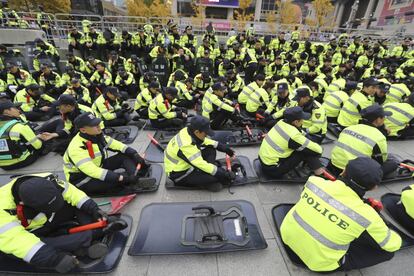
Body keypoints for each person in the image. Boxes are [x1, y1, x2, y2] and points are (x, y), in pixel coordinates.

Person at [280, 157, 402, 272]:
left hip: (286, 234)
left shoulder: (314, 182)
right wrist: (380, 222)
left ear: (344, 171)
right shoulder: (367, 215)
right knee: (387, 252)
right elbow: (392, 244)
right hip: (319, 262)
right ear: (374, 188)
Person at [0, 173, 127, 273]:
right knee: (33, 247)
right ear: (23, 204)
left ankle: (95, 229)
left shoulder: (47, 179)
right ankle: (96, 234)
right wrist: (55, 260)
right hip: (33, 231)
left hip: (51, 216)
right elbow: (20, 242)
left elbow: (73, 193)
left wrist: (94, 209)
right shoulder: (3, 210)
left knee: (78, 205)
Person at [63, 112, 149, 194]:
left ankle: (135, 175)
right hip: (82, 179)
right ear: (83, 130)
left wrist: (134, 154)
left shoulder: (96, 135)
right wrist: (121, 178)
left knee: (125, 156)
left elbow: (116, 145)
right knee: (114, 182)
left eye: (98, 123)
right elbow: (92, 171)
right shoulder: (76, 148)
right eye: (94, 125)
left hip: (98, 165)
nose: (99, 126)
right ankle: (133, 179)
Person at [164, 115, 236, 192]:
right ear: (197, 132)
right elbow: (201, 164)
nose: (206, 135)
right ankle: (205, 180)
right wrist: (223, 174)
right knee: (216, 178)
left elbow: (205, 141)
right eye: (205, 134)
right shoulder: (186, 145)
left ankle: (208, 173)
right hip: (179, 174)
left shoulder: (188, 130)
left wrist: (224, 148)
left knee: (211, 149)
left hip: (187, 163)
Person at [328, 104, 398, 177]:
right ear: (378, 119)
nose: (385, 119)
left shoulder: (349, 128)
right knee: (392, 164)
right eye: (384, 117)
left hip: (334, 166)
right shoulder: (379, 137)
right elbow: (381, 161)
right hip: (354, 173)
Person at [258, 107, 324, 179]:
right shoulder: (294, 136)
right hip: (274, 169)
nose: (303, 122)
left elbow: (300, 132)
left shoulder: (281, 122)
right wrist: (318, 147)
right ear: (296, 122)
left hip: (263, 161)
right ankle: (319, 176)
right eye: (302, 120)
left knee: (302, 146)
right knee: (307, 151)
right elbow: (318, 150)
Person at [0, 101, 45, 170]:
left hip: (3, 166)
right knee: (42, 143)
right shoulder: (18, 126)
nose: (18, 110)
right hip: (21, 161)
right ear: (7, 111)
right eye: (15, 108)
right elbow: (38, 146)